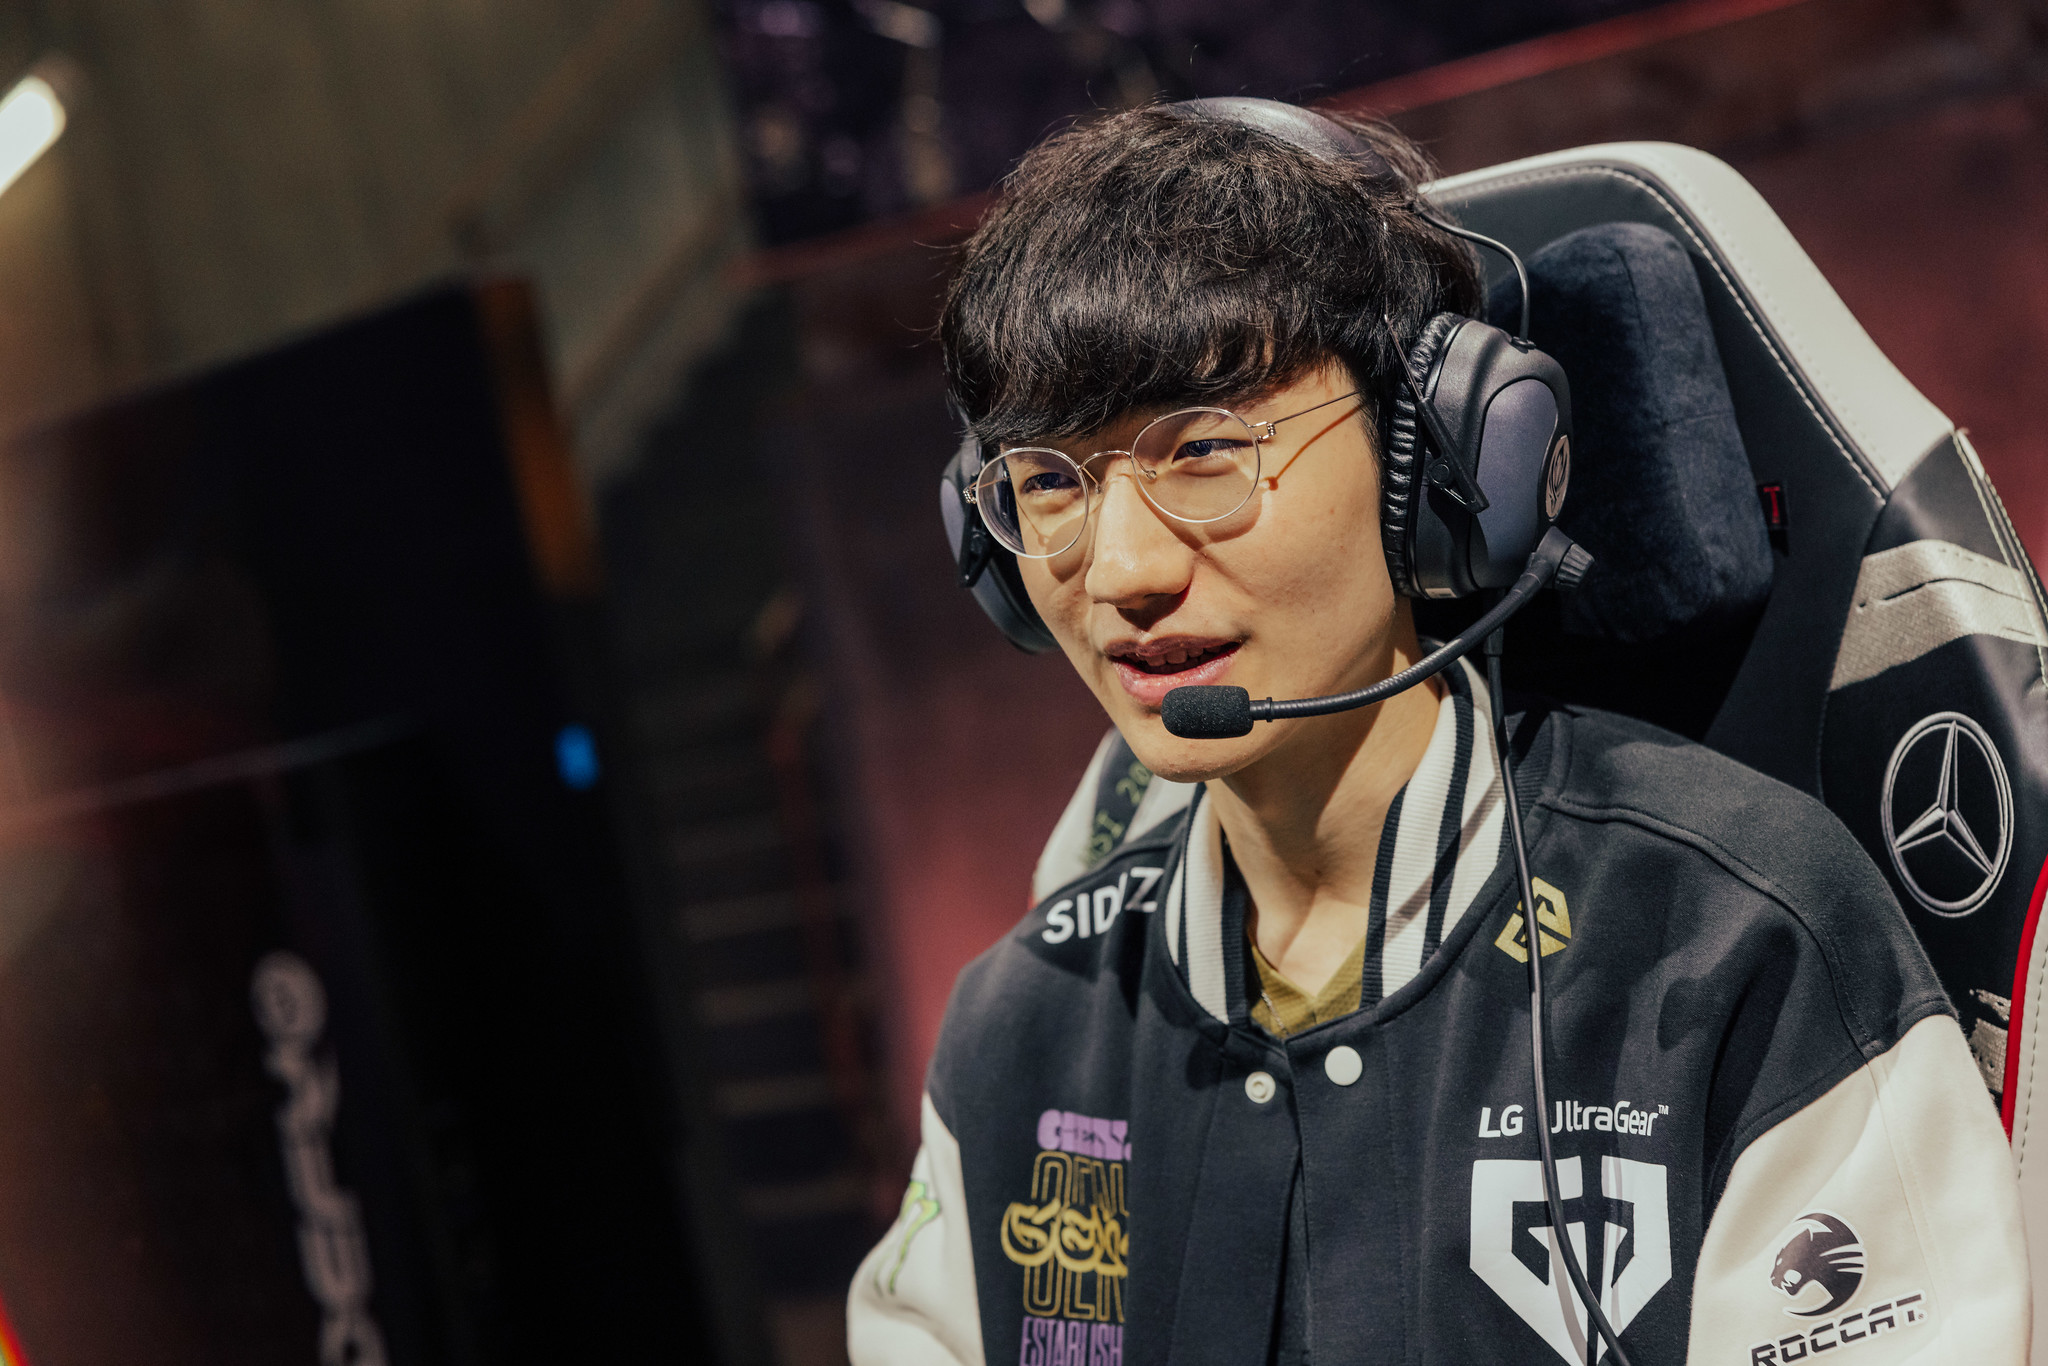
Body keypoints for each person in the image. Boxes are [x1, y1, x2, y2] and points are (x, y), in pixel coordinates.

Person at [846, 99, 2029, 1365]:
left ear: (1434, 463)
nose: (1123, 571)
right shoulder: (1022, 1025)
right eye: (1048, 480)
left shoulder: (1739, 941)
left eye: (1204, 452)